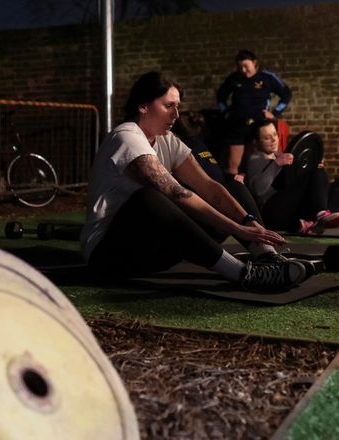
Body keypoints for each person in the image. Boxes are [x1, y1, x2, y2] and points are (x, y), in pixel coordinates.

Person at [79, 71, 311, 291]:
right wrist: (236, 228)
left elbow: (208, 186)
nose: (176, 115)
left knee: (231, 186)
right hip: (111, 254)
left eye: (177, 107)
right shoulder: (126, 137)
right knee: (149, 198)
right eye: (168, 106)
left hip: (154, 251)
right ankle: (243, 274)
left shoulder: (167, 140)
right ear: (143, 106)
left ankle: (267, 256)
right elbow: (175, 192)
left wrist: (251, 226)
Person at [246, 120, 339, 234]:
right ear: (256, 142)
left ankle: (322, 217)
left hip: (293, 206)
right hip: (273, 211)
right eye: (267, 138)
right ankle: (320, 216)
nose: (274, 140)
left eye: (275, 135)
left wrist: (313, 164)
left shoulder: (281, 154)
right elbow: (258, 191)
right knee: (315, 173)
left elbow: (297, 180)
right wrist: (276, 164)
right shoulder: (255, 159)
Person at [216, 50, 292, 181]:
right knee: (232, 166)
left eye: (246, 66)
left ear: (255, 63)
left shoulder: (267, 77)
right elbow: (220, 96)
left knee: (261, 161)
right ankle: (236, 195)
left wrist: (274, 113)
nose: (243, 70)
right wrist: (225, 112)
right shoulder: (234, 78)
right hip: (237, 125)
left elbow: (286, 94)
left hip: (259, 126)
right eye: (240, 67)